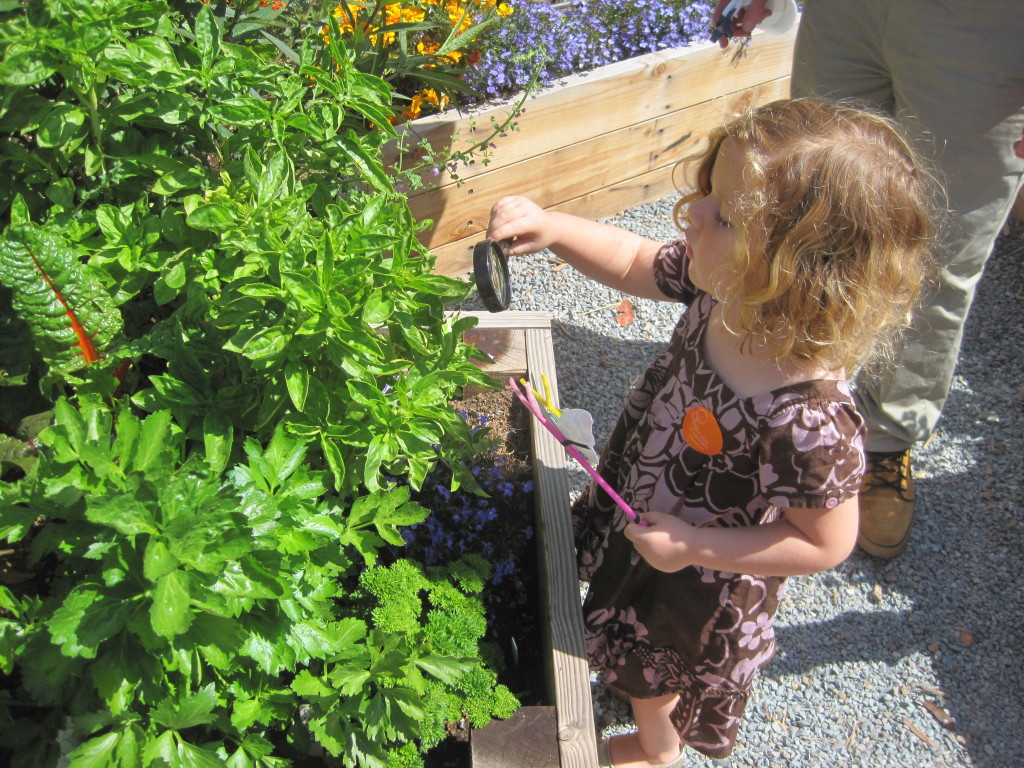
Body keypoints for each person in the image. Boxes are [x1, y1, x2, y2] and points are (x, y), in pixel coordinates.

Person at [486, 99, 938, 767]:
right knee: (622, 614)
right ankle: (637, 697)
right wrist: (554, 227)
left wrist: (697, 543)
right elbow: (637, 258)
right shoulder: (725, 285)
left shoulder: (809, 419)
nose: (690, 213)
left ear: (797, 268)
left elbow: (825, 542)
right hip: (653, 512)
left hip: (698, 579)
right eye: (708, 190)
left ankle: (653, 746)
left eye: (722, 214)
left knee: (654, 670)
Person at [713, 0, 1024, 559]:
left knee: (932, 257)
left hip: (989, 24)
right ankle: (771, 391)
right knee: (800, 210)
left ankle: (885, 438)